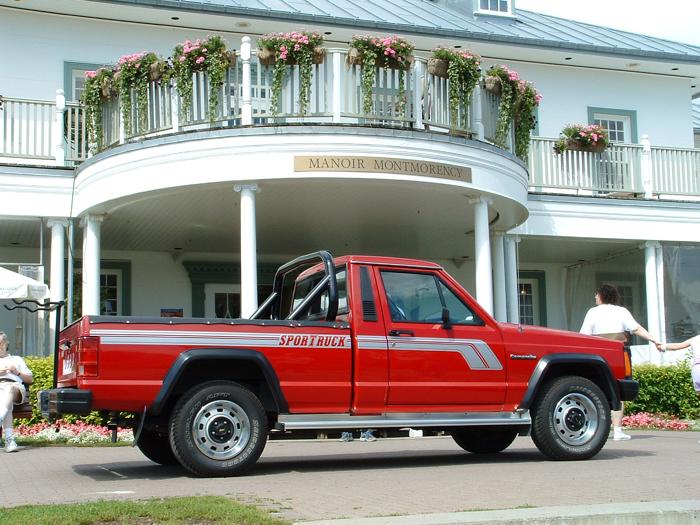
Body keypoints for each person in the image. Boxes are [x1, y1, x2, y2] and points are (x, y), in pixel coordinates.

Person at [579, 284, 659, 441]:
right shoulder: (621, 311)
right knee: (618, 390)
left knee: (594, 390)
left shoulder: (593, 312)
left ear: (602, 295)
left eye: (596, 294)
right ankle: (618, 430)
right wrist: (654, 340)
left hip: (596, 354)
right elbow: (636, 329)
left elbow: (583, 335)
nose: (595, 297)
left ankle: (595, 429)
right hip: (618, 353)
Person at [0, 331, 33, 453]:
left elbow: (30, 379)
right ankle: (9, 441)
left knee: (7, 389)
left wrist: (17, 372)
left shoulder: (16, 359)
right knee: (6, 405)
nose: (0, 347)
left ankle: (0, 415)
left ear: (6, 344)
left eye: (1, 343)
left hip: (15, 388)